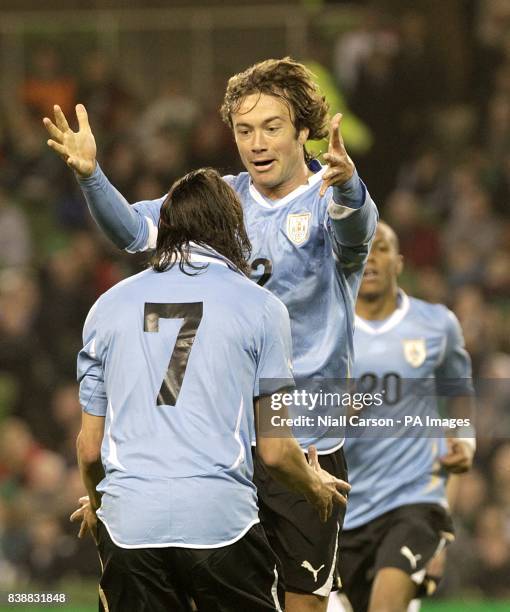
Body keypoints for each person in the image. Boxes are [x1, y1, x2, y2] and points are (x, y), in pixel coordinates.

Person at [44, 57, 378, 611]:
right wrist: (90, 175)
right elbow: (133, 234)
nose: (257, 142)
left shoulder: (328, 197)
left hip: (306, 443)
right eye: (245, 130)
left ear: (303, 129)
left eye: (272, 127)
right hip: (221, 447)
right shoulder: (222, 202)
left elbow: (355, 231)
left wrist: (349, 188)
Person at [76, 167, 350, 612]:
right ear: (230, 229)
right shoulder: (261, 307)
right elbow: (277, 451)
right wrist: (314, 488)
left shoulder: (105, 308)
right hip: (220, 524)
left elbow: (89, 450)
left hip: (130, 525)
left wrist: (97, 502)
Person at [327, 222, 475, 612]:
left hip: (412, 501)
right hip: (342, 509)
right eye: (364, 248)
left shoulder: (437, 325)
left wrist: (466, 438)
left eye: (382, 248)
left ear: (400, 262)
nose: (372, 256)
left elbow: (458, 391)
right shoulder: (326, 331)